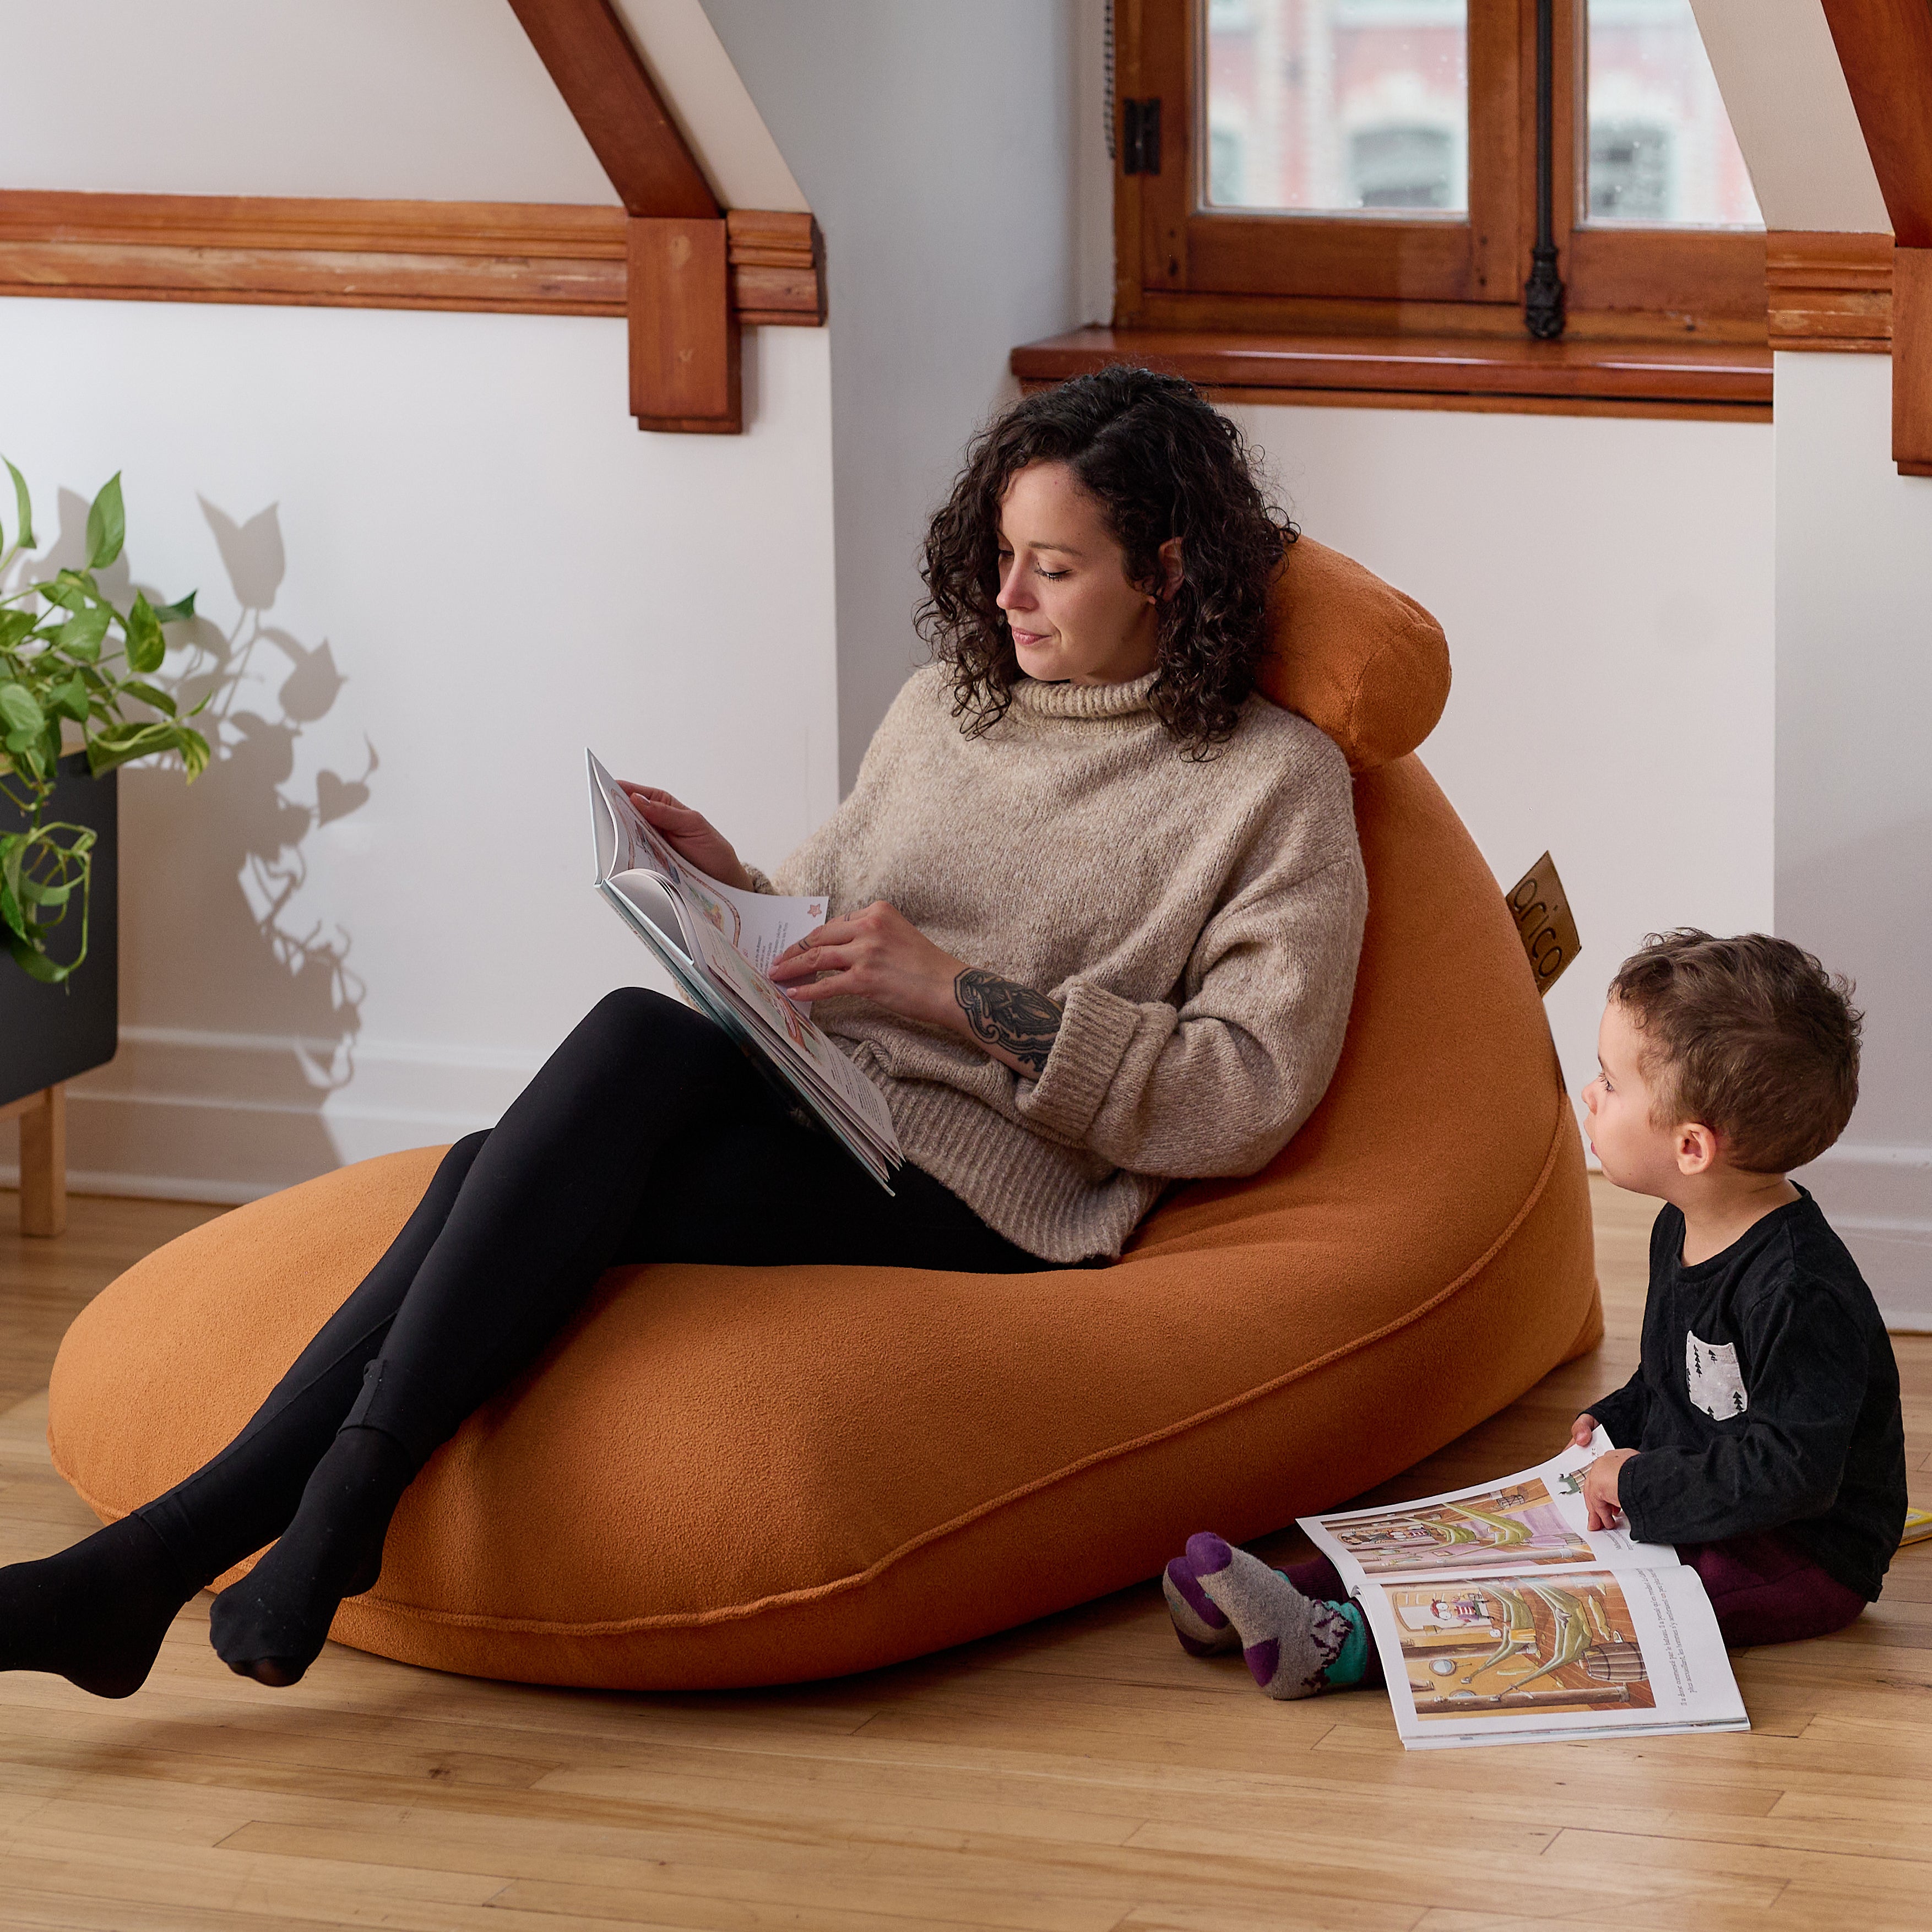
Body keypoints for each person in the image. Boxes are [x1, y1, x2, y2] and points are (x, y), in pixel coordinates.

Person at [0, 366, 1368, 1698]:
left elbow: (1243, 1092)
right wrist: (729, 887)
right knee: (598, 1069)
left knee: (510, 1163)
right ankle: (270, 1529)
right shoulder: (944, 711)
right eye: (1003, 555)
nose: (1005, 597)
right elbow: (829, 937)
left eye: (1052, 569)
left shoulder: (1270, 788)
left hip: (982, 1185)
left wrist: (955, 994)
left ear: (1167, 570)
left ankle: (190, 1549)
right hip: (825, 1098)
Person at [1164, 930, 1907, 1699]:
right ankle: (1278, 1589)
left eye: (1610, 1084)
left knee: (1591, 1606)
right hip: (1706, 1492)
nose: (1589, 1094)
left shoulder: (1797, 1289)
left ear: (1691, 1148)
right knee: (1510, 1532)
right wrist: (1621, 1417)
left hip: (1797, 1552)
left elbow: (1794, 1474)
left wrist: (1643, 1480)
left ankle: (1340, 1645)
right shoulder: (1681, 1224)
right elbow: (1682, 1376)